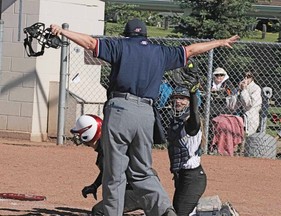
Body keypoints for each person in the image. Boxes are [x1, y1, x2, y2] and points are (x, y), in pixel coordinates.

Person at [50, 18, 239, 216]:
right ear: (145, 35)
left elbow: (90, 43)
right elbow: (191, 50)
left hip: (120, 109)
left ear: (127, 34)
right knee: (142, 171)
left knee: (115, 172)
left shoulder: (120, 46)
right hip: (146, 114)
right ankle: (165, 210)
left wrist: (63, 32)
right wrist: (219, 42)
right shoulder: (160, 51)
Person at [70, 114, 143, 216]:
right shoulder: (107, 144)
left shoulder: (106, 150)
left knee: (98, 211)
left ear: (89, 133)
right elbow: (108, 170)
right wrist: (95, 185)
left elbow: (112, 176)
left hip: (138, 191)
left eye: (80, 133)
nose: (77, 137)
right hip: (140, 186)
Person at [167, 85, 207, 216]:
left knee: (181, 213)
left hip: (193, 178)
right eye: (176, 98)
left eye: (183, 98)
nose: (178, 101)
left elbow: (194, 113)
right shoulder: (175, 123)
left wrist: (193, 92)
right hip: (182, 176)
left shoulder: (191, 124)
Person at [238, 71, 262, 136]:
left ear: (252, 78)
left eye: (248, 77)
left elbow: (249, 105)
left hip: (250, 119)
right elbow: (232, 105)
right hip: (237, 116)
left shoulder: (256, 88)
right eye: (243, 76)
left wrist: (244, 90)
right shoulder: (240, 86)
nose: (245, 78)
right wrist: (238, 91)